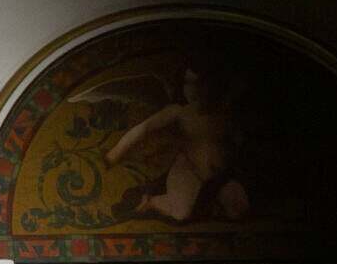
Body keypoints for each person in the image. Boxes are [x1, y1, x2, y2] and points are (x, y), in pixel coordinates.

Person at [105, 67, 249, 223]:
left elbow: (237, 141)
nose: (194, 90)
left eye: (201, 84)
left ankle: (208, 203)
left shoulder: (224, 113)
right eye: (188, 83)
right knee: (181, 213)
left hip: (220, 175)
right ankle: (150, 202)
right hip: (188, 170)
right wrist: (113, 155)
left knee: (238, 210)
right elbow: (144, 128)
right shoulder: (180, 112)